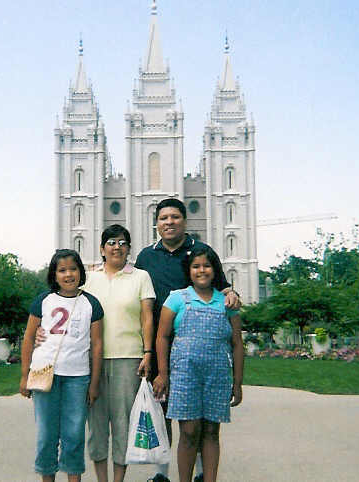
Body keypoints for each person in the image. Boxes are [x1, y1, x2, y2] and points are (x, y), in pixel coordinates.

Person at [134, 198, 241, 482]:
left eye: (175, 217)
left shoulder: (201, 251)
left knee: (195, 419)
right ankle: (161, 473)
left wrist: (232, 292)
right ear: (156, 223)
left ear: (184, 221)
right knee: (163, 409)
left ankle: (200, 472)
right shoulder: (146, 256)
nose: (169, 222)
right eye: (163, 218)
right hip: (158, 342)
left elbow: (221, 285)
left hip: (194, 344)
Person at [152, 244, 244, 482]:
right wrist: (162, 373)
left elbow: (236, 344)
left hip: (218, 376)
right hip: (184, 375)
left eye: (207, 266)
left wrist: (238, 382)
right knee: (189, 432)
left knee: (212, 431)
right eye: (196, 266)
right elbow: (161, 337)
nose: (202, 270)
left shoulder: (227, 304)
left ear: (215, 270)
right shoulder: (177, 299)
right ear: (189, 270)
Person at [20, 249, 104, 482]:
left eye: (73, 269)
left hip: (77, 377)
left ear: (80, 271)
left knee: (74, 433)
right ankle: (47, 476)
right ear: (54, 275)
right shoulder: (43, 301)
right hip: (44, 373)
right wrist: (24, 375)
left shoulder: (91, 304)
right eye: (62, 270)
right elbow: (28, 338)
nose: (68, 275)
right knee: (47, 434)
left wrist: (94, 383)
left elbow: (97, 345)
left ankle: (73, 477)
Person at [82, 225, 156, 482]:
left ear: (129, 249)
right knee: (97, 424)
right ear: (102, 249)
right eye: (111, 242)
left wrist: (148, 352)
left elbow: (147, 318)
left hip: (128, 358)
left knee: (123, 423)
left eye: (122, 242)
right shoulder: (89, 279)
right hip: (93, 361)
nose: (117, 247)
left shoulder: (140, 277)